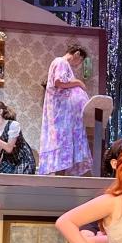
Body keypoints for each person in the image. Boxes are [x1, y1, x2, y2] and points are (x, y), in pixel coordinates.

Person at [38, 43, 92, 176]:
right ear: (77, 54)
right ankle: (58, 176)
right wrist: (78, 83)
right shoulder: (61, 61)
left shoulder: (62, 63)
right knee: (60, 143)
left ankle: (61, 173)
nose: (78, 64)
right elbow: (59, 82)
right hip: (61, 113)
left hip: (64, 113)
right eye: (80, 61)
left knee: (62, 143)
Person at [0, 100, 36, 174]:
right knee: (3, 180)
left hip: (23, 158)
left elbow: (9, 148)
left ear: (0, 111)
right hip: (8, 159)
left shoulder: (13, 125)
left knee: (18, 181)